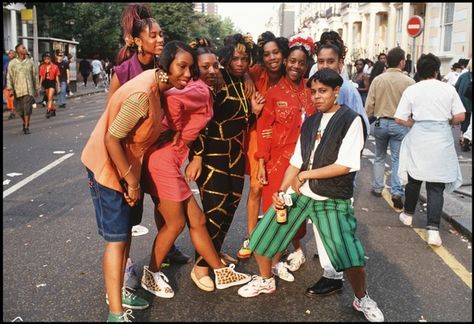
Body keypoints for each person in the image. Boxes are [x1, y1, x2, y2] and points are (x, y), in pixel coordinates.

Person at [238, 68, 384, 323]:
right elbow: (297, 160)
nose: (317, 96)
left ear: (336, 91)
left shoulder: (351, 121)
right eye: (314, 91)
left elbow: (345, 165)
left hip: (331, 197)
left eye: (323, 91)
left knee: (350, 256)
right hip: (301, 192)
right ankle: (265, 280)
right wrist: (280, 191)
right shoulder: (311, 121)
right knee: (261, 236)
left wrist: (306, 175)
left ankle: (362, 298)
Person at [81, 41, 198, 322]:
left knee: (126, 233)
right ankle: (115, 314)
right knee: (117, 239)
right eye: (182, 66)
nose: (187, 74)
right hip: (108, 169)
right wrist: (131, 182)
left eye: (190, 68)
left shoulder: (160, 88)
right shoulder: (143, 94)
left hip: (125, 168)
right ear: (165, 63)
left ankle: (120, 290)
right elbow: (112, 138)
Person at [142, 38, 251, 295]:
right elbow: (168, 95)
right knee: (176, 224)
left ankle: (220, 271)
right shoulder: (197, 89)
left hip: (169, 159)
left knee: (199, 220)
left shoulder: (204, 86)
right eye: (187, 67)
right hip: (163, 163)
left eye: (215, 66)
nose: (190, 73)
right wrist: (172, 128)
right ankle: (152, 273)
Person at [109, 4, 190, 292]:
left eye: (160, 35)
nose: (159, 40)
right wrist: (122, 171)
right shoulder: (123, 72)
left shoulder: (162, 69)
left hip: (158, 151)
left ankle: (166, 248)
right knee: (128, 214)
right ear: (135, 40)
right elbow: (112, 122)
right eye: (153, 35)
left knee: (162, 202)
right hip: (130, 156)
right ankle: (127, 264)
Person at [186, 33, 264, 282]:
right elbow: (199, 122)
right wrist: (197, 156)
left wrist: (253, 112)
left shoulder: (244, 83)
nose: (240, 63)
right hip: (212, 153)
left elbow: (241, 121)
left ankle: (214, 254)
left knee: (231, 205)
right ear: (226, 59)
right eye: (235, 58)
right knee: (214, 210)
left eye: (244, 59)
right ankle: (200, 267)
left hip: (235, 152)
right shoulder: (215, 81)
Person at [304, 30, 370, 297]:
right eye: (321, 61)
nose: (325, 66)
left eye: (330, 61)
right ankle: (332, 266)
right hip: (317, 169)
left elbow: (362, 124)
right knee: (322, 221)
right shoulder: (316, 82)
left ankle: (334, 274)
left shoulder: (347, 89)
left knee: (337, 222)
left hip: (337, 171)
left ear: (340, 62)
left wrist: (344, 154)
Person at [255, 35, 317, 282]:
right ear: (286, 61)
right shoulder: (273, 93)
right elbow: (264, 129)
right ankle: (275, 262)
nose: (296, 66)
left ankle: (294, 250)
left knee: (298, 213)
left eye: (301, 63)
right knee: (276, 211)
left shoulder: (312, 90)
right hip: (279, 162)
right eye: (292, 61)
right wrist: (261, 163)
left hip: (305, 164)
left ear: (306, 65)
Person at [395, 53, 465, 247]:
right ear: (436, 70)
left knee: (414, 178)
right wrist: (447, 120)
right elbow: (460, 116)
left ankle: (408, 215)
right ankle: (433, 230)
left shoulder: (412, 89)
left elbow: (399, 118)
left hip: (419, 137)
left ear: (418, 70)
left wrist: (413, 123)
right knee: (436, 186)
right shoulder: (448, 89)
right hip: (441, 137)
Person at [237, 31, 289, 260]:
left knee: (280, 190)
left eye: (276, 52)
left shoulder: (292, 74)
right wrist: (248, 79)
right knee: (257, 187)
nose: (271, 58)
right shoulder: (256, 73)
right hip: (258, 135)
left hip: (285, 140)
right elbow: (238, 70)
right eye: (267, 54)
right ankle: (252, 236)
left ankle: (279, 238)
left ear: (283, 54)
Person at [365, 47, 415, 210]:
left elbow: (369, 106)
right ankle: (397, 191)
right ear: (402, 62)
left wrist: (368, 118)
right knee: (397, 159)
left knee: (379, 156)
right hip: (400, 124)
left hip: (380, 122)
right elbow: (414, 106)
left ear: (387, 61)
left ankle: (378, 188)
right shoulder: (409, 82)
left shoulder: (378, 80)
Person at [6, 44, 38, 134]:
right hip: (17, 90)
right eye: (23, 48)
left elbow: (34, 76)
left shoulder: (30, 62)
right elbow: (9, 76)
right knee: (19, 110)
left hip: (28, 90)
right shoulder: (12, 63)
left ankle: (27, 127)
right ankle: (24, 122)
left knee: (27, 108)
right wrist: (10, 88)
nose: (25, 49)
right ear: (18, 51)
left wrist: (36, 88)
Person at [454, 59, 472, 150]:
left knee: (465, 120)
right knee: (469, 121)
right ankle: (466, 138)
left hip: (461, 101)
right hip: (469, 101)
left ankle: (462, 136)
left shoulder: (463, 75)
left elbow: (456, 87)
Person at [38, 52, 60, 119]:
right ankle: (53, 110)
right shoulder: (42, 67)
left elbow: (56, 76)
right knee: (49, 98)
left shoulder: (55, 67)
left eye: (48, 59)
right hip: (46, 83)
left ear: (50, 59)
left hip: (52, 82)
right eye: (45, 59)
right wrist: (39, 85)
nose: (46, 60)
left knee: (50, 97)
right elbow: (41, 76)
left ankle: (48, 111)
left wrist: (58, 86)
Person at [4, 49, 16, 120]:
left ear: (14, 55)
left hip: (13, 83)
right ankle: (12, 110)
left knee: (12, 98)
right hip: (6, 84)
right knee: (8, 98)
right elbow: (5, 73)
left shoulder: (16, 63)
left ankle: (12, 112)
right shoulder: (6, 64)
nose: (10, 55)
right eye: (9, 54)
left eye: (12, 53)